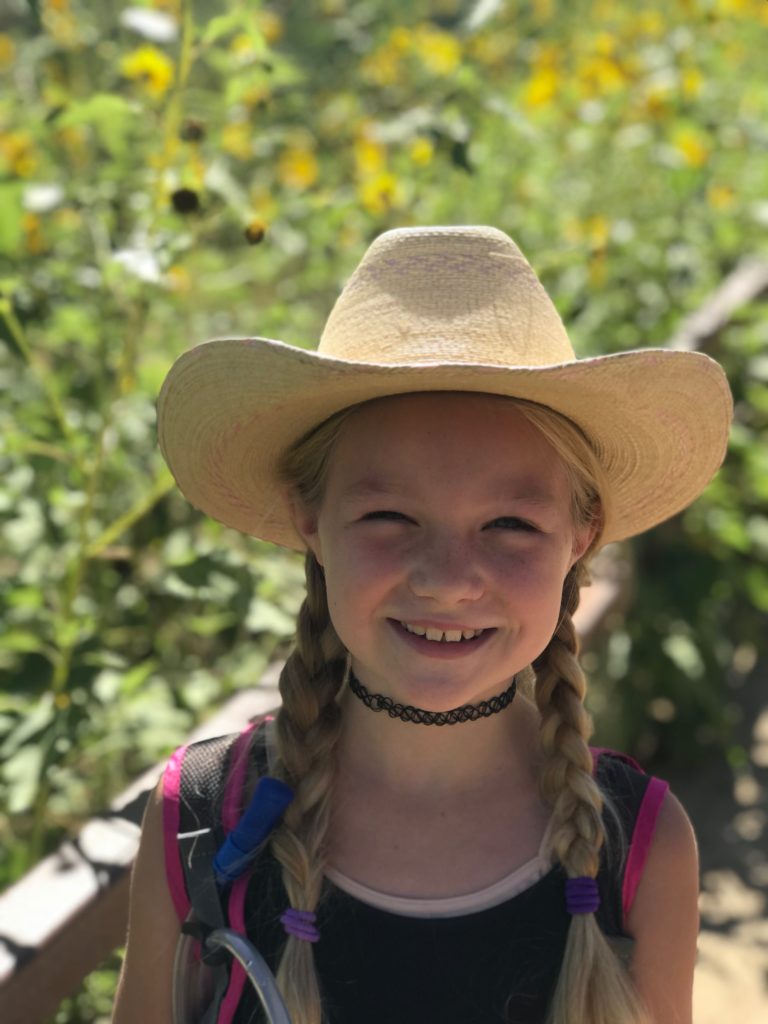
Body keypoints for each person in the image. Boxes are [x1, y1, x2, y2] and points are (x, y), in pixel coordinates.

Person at [113, 225, 732, 1024]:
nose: (447, 581)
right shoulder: (201, 818)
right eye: (390, 517)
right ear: (310, 519)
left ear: (581, 538)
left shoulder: (642, 848)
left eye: (510, 525)